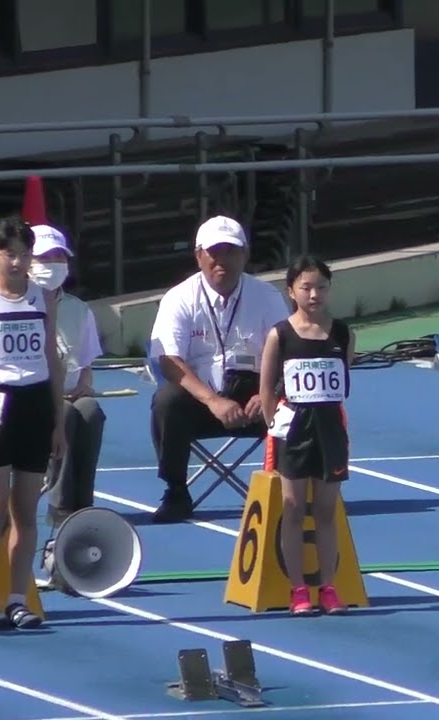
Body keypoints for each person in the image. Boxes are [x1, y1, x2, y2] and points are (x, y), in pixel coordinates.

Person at [0, 217, 65, 630]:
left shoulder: (43, 297)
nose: (18, 263)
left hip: (36, 405)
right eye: (10, 255)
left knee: (26, 510)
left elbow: (52, 361)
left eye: (25, 255)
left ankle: (18, 599)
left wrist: (58, 423)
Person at [149, 215, 290, 523]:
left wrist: (270, 393)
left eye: (231, 251)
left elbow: (288, 354)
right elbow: (169, 361)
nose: (222, 260)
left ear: (245, 255)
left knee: (299, 399)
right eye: (215, 252)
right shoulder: (179, 298)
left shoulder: (267, 298)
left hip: (256, 397)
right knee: (166, 400)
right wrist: (212, 401)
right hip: (202, 402)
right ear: (199, 255)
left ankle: (293, 490)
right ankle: (175, 491)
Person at [258, 256, 353, 616]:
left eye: (321, 287)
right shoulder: (279, 335)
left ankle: (327, 587)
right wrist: (275, 426)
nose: (314, 294)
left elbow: (344, 377)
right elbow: (267, 389)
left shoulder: (341, 333)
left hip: (330, 427)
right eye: (306, 288)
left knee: (327, 510)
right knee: (294, 509)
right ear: (291, 291)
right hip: (293, 429)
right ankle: (298, 589)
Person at [28, 224, 106, 527]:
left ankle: (82, 502)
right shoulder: (18, 305)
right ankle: (60, 506)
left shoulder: (79, 309)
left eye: (60, 258)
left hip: (71, 393)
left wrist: (85, 385)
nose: (53, 264)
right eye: (46, 257)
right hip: (33, 398)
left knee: (90, 412)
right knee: (67, 416)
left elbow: (86, 361)